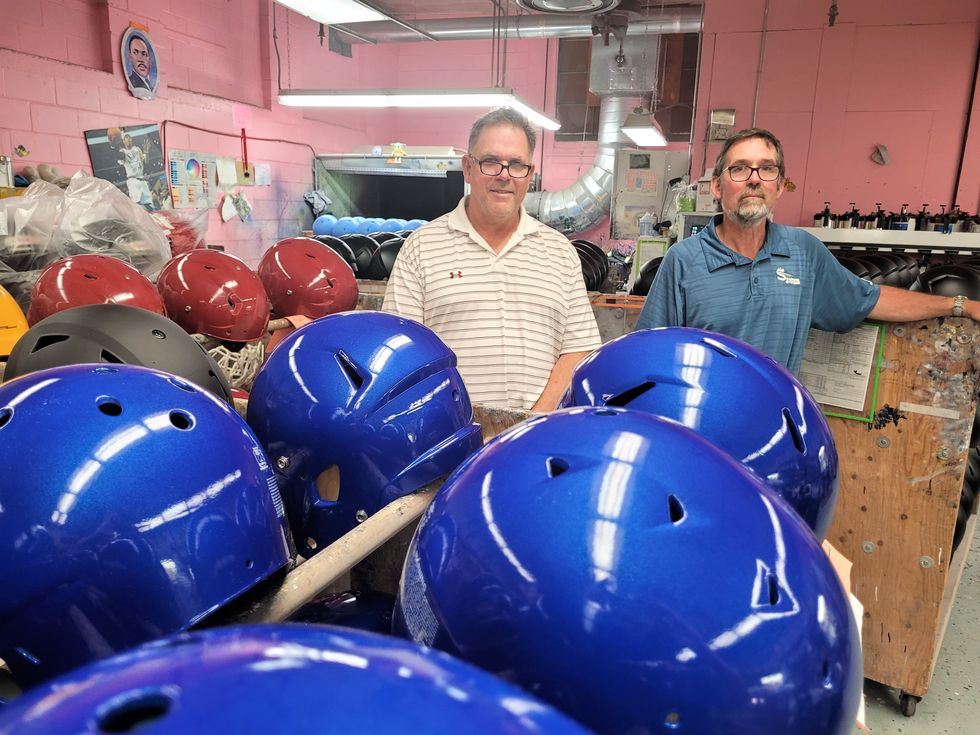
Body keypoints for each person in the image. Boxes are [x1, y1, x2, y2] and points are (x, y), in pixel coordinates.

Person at [636, 127, 980, 374]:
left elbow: (870, 299)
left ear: (780, 186)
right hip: (704, 431)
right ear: (716, 186)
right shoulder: (684, 260)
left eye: (767, 168)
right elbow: (648, 356)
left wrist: (959, 304)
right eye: (739, 168)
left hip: (775, 430)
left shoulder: (802, 252)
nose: (754, 178)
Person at [382, 108, 601, 411]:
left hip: (533, 438)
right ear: (468, 168)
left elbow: (578, 350)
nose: (504, 175)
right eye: (491, 163)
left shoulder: (560, 252)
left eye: (516, 165)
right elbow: (400, 351)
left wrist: (531, 423)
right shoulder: (420, 248)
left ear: (530, 174)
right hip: (448, 437)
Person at [117, 134, 152, 206]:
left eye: (130, 137)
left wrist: (146, 152)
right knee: (137, 205)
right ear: (123, 141)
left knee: (149, 205)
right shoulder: (123, 151)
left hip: (142, 179)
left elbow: (146, 161)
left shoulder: (137, 149)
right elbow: (119, 156)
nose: (129, 139)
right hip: (132, 181)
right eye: (126, 138)